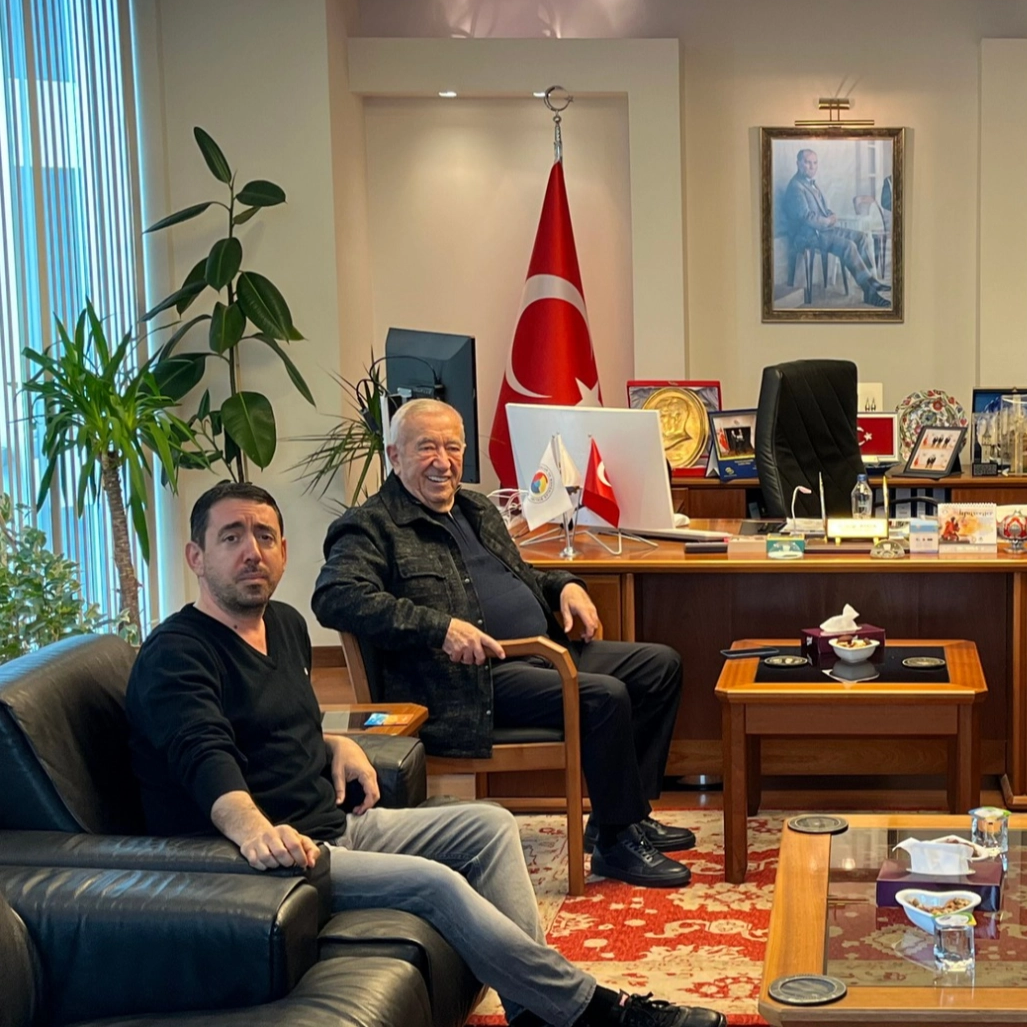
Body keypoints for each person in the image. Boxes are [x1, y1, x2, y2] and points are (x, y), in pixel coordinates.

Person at [125, 481, 724, 1027]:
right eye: (231, 537)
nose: (252, 552)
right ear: (196, 556)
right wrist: (254, 830)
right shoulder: (178, 654)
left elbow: (266, 722)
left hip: (333, 824)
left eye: (264, 536)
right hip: (272, 856)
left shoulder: (281, 624)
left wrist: (333, 742)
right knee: (436, 884)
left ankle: (536, 1010)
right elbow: (203, 756)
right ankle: (593, 1011)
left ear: (283, 550)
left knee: (490, 826)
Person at [312, 399, 694, 889]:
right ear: (394, 455)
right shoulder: (371, 525)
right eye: (427, 448)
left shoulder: (475, 508)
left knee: (660, 666)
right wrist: (440, 628)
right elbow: (336, 596)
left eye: (453, 448)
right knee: (602, 695)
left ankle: (618, 817)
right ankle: (618, 845)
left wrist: (565, 586)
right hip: (467, 683)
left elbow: (521, 573)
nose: (443, 462)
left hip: (539, 651)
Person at [780, 148, 890, 307]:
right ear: (798, 163)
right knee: (848, 246)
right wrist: (828, 221)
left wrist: (831, 215)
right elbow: (807, 217)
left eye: (815, 163)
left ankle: (871, 281)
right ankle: (870, 292)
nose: (812, 167)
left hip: (822, 230)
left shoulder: (811, 183)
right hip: (807, 236)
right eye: (808, 162)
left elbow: (823, 209)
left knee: (861, 237)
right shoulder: (796, 187)